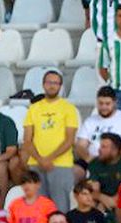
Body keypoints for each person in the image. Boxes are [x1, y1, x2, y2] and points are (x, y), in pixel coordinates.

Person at [21, 70, 78, 213]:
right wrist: (41, 160)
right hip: (36, 164)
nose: (52, 86)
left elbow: (69, 139)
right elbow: (27, 140)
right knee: (38, 209)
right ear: (43, 85)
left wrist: (49, 159)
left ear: (60, 86)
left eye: (56, 83)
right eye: (49, 82)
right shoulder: (33, 109)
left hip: (60, 164)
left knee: (60, 209)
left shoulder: (69, 109)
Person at [75, 88, 121, 185]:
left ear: (115, 103)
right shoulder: (90, 121)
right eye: (101, 103)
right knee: (73, 172)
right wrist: (90, 159)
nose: (104, 107)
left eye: (107, 104)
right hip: (91, 160)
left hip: (117, 162)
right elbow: (80, 146)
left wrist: (109, 160)